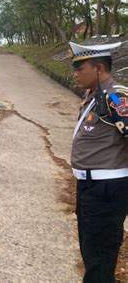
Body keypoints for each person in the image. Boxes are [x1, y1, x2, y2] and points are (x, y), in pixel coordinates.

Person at [69, 40, 128, 283]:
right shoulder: (95, 96)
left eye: (80, 68)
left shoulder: (116, 96)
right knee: (92, 252)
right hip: (90, 187)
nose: (75, 74)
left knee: (100, 257)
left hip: (107, 190)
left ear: (100, 68)